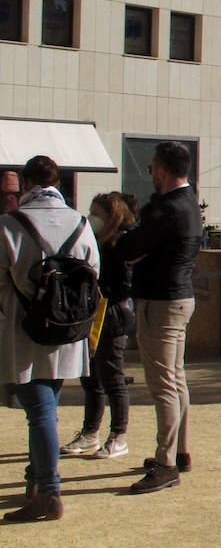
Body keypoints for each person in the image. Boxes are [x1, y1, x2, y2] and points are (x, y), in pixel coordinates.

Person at [0, 155, 100, 521]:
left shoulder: (10, 223)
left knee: (41, 411)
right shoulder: (81, 223)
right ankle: (35, 483)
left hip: (24, 329)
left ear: (26, 184)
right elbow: (93, 274)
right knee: (46, 408)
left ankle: (49, 492)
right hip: (67, 327)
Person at [116, 141, 201, 494]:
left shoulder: (166, 208)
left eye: (151, 168)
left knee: (164, 384)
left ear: (162, 171)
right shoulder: (189, 203)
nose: (150, 173)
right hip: (180, 298)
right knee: (176, 379)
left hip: (161, 302)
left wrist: (120, 237)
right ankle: (179, 452)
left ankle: (166, 464)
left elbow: (129, 248)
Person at [61, 192, 137, 460]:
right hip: (90, 315)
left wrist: (98, 292)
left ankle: (118, 435)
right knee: (90, 377)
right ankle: (90, 432)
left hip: (112, 316)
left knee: (112, 377)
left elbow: (125, 286)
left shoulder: (120, 244)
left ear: (111, 216)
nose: (91, 217)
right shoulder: (93, 240)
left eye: (97, 213)